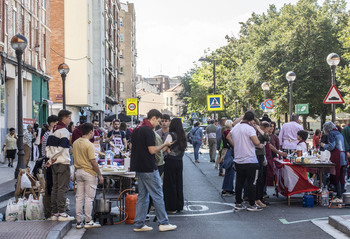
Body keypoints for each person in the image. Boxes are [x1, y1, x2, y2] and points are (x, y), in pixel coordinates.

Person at [130, 109, 176, 232]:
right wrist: (165, 145)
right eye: (159, 121)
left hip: (138, 167)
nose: (159, 124)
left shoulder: (137, 129)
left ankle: (139, 223)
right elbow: (152, 150)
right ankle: (163, 222)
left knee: (143, 196)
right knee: (157, 194)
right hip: (149, 167)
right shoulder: (148, 131)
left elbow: (130, 146)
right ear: (154, 118)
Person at [227, 111, 264, 212]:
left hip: (238, 159)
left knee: (239, 182)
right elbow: (256, 142)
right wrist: (259, 145)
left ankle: (238, 203)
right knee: (252, 183)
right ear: (252, 120)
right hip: (250, 159)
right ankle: (252, 204)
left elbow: (228, 137)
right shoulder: (250, 128)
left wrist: (235, 145)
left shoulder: (236, 127)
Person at [46, 109, 74, 221]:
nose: (70, 120)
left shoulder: (53, 129)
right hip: (62, 162)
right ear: (65, 118)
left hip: (54, 163)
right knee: (62, 188)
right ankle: (62, 212)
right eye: (69, 118)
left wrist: (50, 158)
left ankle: (54, 212)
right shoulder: (64, 131)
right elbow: (62, 148)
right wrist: (53, 157)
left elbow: (48, 146)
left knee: (55, 188)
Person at [73, 123, 103, 229]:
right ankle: (88, 220)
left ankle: (78, 221)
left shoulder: (75, 143)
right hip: (89, 173)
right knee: (89, 198)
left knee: (79, 197)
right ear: (90, 131)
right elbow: (93, 161)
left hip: (78, 171)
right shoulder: (89, 144)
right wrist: (99, 174)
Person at [163, 118, 187, 213]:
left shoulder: (171, 135)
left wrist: (168, 150)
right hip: (179, 161)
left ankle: (171, 206)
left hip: (170, 161)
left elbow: (165, 147)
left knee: (170, 184)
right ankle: (179, 205)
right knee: (178, 183)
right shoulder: (183, 136)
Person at [320, 122, 347, 203]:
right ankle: (340, 195)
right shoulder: (339, 133)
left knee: (336, 176)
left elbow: (332, 146)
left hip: (337, 156)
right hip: (342, 155)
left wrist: (323, 145)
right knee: (341, 176)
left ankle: (339, 196)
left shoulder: (331, 133)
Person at [41, 115, 59, 220]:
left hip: (49, 163)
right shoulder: (48, 134)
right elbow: (47, 152)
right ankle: (49, 213)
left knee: (51, 188)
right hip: (48, 164)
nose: (57, 125)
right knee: (50, 189)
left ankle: (51, 212)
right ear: (51, 123)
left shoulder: (49, 134)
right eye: (56, 123)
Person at [255, 121, 270, 208]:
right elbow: (266, 137)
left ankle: (259, 197)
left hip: (261, 155)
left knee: (261, 177)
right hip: (257, 156)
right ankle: (257, 198)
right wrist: (259, 129)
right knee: (258, 178)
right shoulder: (258, 132)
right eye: (267, 130)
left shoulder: (260, 133)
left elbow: (267, 138)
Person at [221, 120, 234, 195]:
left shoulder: (224, 132)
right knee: (230, 171)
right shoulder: (229, 133)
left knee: (229, 171)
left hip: (226, 151)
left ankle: (228, 188)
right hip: (230, 152)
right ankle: (227, 188)